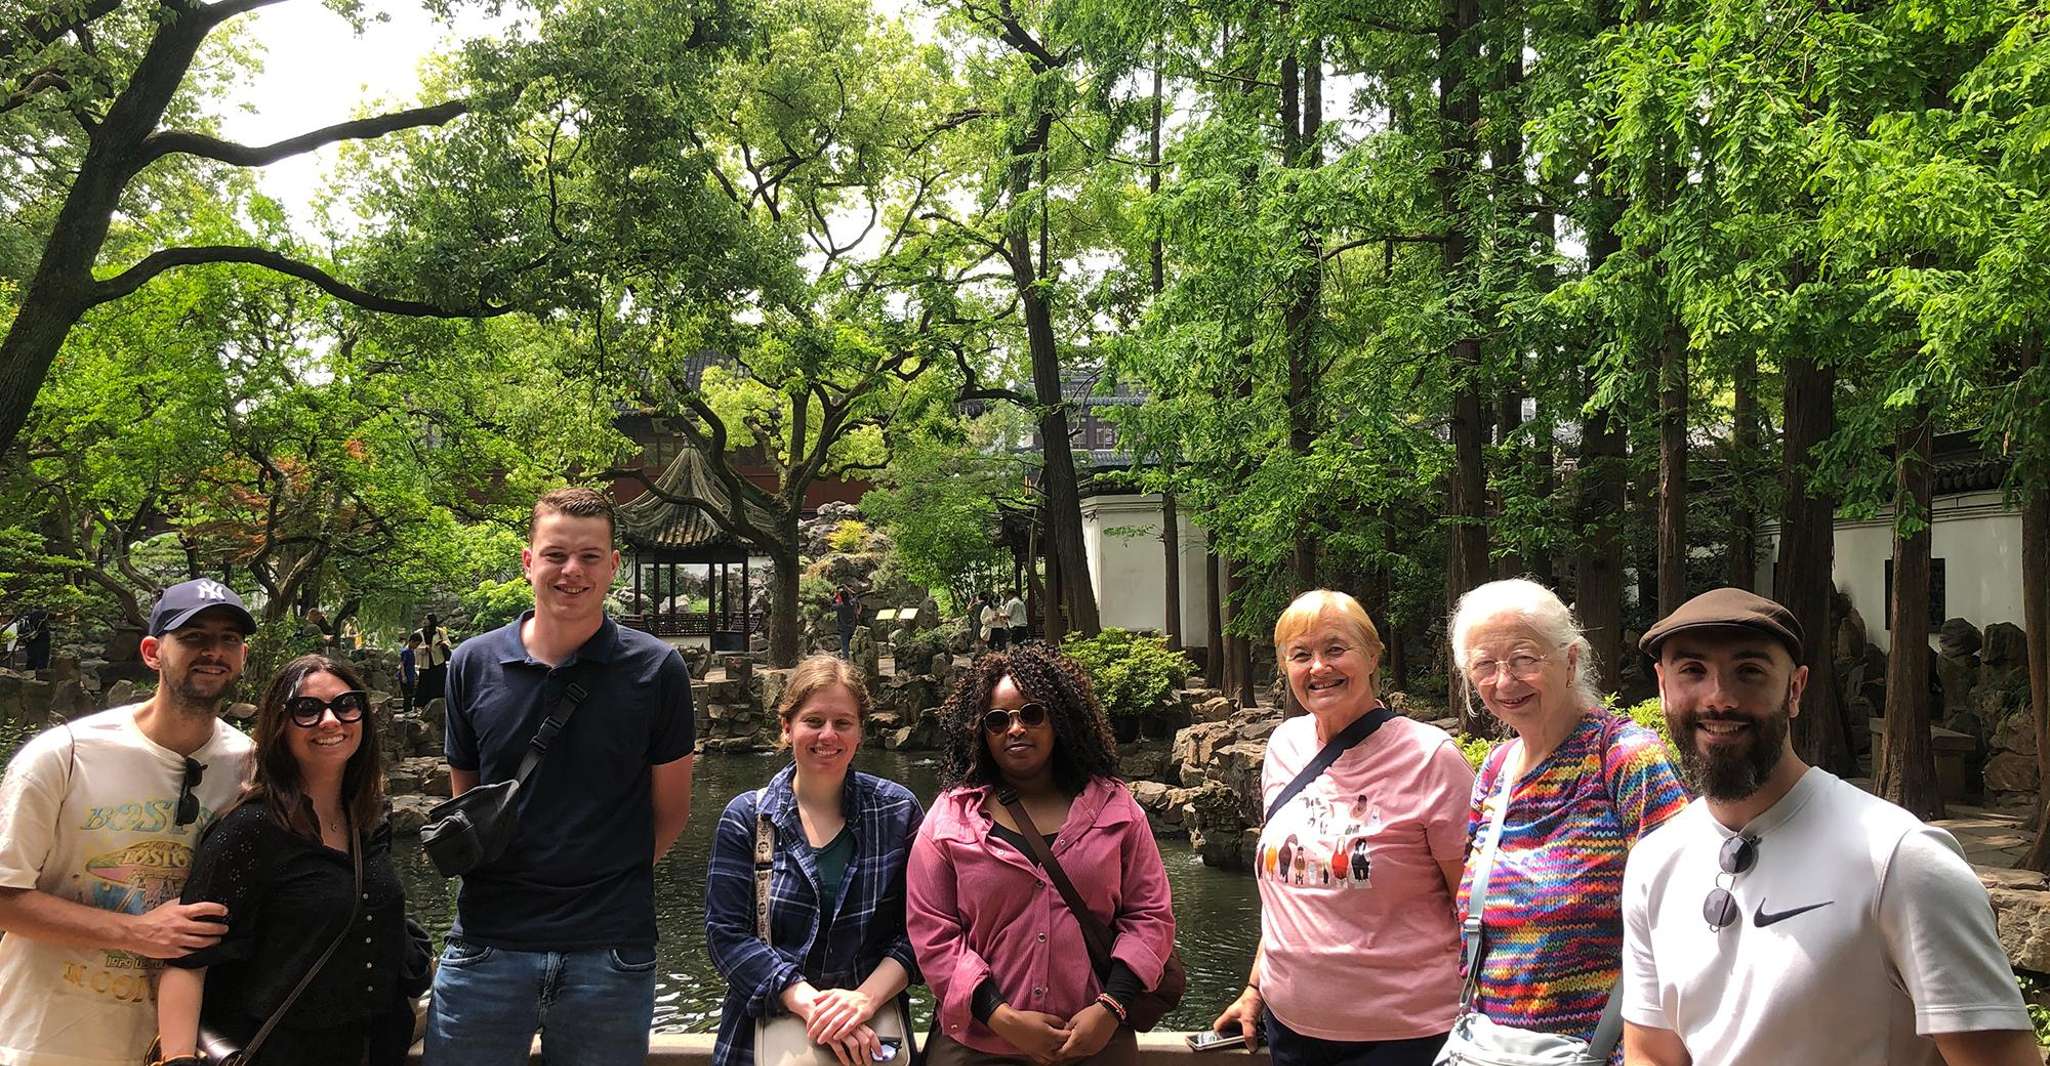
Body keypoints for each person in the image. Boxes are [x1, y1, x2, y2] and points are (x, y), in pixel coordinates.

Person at [1622, 587, 2037, 1066]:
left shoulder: (1900, 858)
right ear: (1662, 686)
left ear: (1794, 690)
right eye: (1692, 670)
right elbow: (1651, 1053)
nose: (1719, 697)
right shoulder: (1654, 863)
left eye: (1750, 671)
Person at [425, 487, 697, 1066]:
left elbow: (671, 812)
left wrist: (602, 876)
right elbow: (467, 800)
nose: (572, 571)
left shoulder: (655, 670)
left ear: (613, 565)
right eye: (555, 554)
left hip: (610, 949)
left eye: (589, 556)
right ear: (528, 562)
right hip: (487, 942)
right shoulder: (471, 664)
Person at [0, 579, 258, 1066]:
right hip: (49, 1042)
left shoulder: (248, 765)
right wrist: (137, 932)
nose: (213, 651)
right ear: (152, 652)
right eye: (194, 637)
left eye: (228, 639)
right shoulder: (65, 755)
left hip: (174, 1048)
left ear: (242, 656)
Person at [1211, 589, 1473, 1066]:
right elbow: (1286, 893)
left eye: (1335, 649)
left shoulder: (1430, 758)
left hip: (1405, 1036)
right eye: (1301, 655)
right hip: (1292, 1029)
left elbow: (1472, 904)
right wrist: (1255, 987)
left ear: (1373, 655)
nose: (1318, 667)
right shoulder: (1284, 747)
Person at [1446, 579, 1688, 1059]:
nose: (1504, 681)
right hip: (1497, 1050)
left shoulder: (1626, 761)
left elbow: (1686, 928)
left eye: (1523, 659)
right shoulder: (1496, 770)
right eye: (1485, 666)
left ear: (1571, 660)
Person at [908, 644, 1174, 1066]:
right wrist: (1001, 1016)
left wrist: (1110, 1008)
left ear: (1060, 719)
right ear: (981, 731)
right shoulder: (949, 819)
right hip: (979, 1045)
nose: (1015, 729)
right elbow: (933, 935)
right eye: (998, 720)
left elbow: (1150, 918)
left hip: (1095, 1042)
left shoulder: (1116, 809)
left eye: (1031, 714)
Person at [156, 654, 423, 1066]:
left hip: (376, 1045)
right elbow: (188, 960)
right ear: (279, 725)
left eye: (346, 705)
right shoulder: (251, 830)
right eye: (307, 709)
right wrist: (177, 1059)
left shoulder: (369, 819)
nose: (330, 721)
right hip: (281, 1048)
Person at [706, 654, 923, 1066]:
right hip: (764, 1035)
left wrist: (863, 998)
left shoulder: (898, 812)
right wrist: (809, 1002)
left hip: (871, 1031)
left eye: (843, 723)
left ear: (860, 732)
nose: (828, 735)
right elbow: (726, 935)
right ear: (786, 727)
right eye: (813, 721)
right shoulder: (747, 818)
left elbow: (922, 928)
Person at [413, 613, 452, 705]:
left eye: (426, 619)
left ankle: (441, 702)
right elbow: (414, 647)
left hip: (438, 660)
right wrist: (425, 648)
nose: (424, 621)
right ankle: (422, 704)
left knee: (440, 681)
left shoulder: (440, 632)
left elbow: (448, 642)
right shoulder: (418, 633)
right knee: (424, 682)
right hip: (425, 662)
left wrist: (443, 643)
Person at [19, 606, 51, 672]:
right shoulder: (43, 614)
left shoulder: (26, 615)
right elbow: (57, 616)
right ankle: (41, 677)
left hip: (29, 639)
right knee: (42, 661)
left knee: (31, 659)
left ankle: (28, 675)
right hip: (42, 640)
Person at [834, 587, 859, 659]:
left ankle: (846, 660)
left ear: (841, 597)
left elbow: (831, 604)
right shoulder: (852, 603)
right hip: (852, 627)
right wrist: (847, 588)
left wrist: (836, 595)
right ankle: (854, 659)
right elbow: (855, 595)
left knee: (845, 646)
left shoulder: (839, 606)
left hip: (843, 629)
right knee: (853, 644)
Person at [399, 635, 420, 715]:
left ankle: (409, 710)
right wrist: (403, 676)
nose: (416, 646)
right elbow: (402, 664)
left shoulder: (412, 651)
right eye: (416, 644)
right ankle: (406, 711)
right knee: (406, 695)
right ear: (411, 641)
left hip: (411, 676)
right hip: (405, 676)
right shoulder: (405, 651)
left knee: (410, 694)